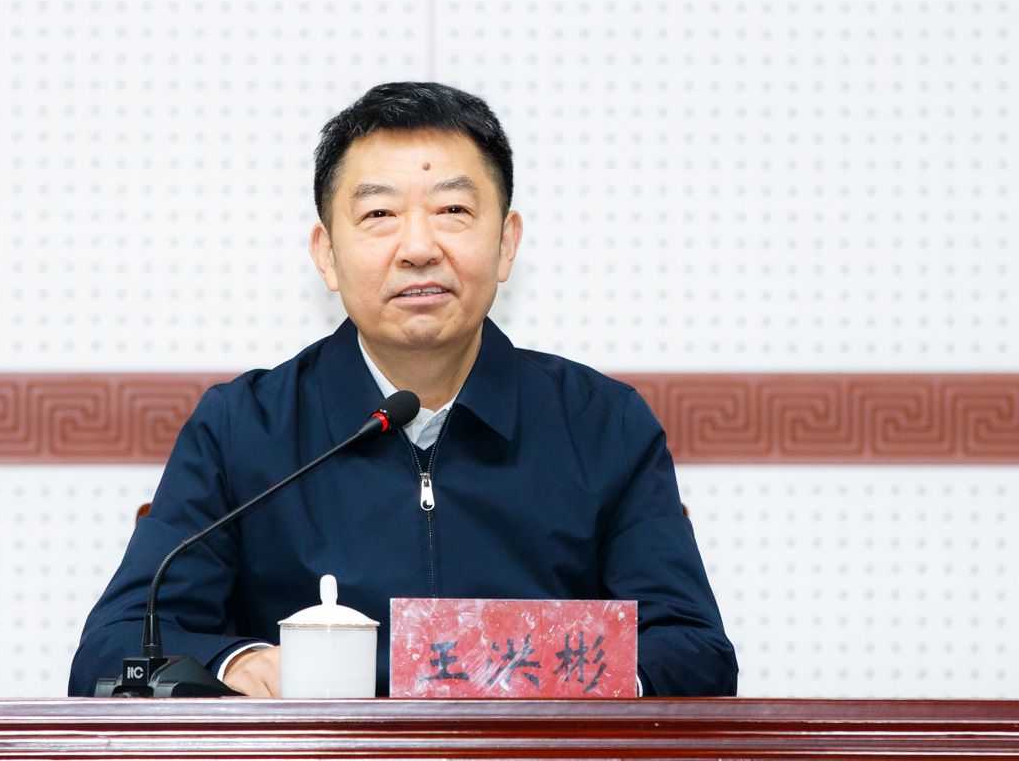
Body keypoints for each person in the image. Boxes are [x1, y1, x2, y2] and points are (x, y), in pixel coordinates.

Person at [68, 82, 737, 698]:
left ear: (506, 244)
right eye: (380, 213)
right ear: (326, 253)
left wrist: (552, 678)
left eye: (453, 209)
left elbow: (695, 653)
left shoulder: (601, 425)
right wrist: (239, 662)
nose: (418, 247)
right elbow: (113, 648)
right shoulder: (244, 428)